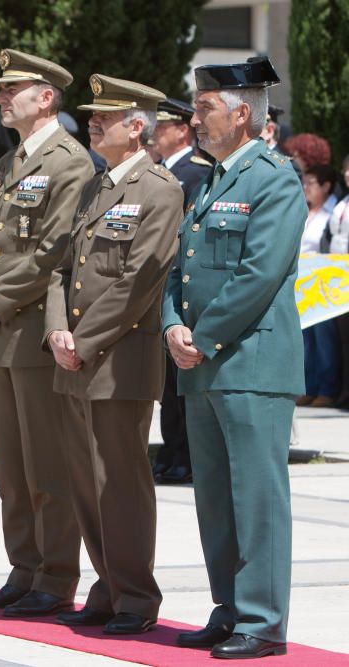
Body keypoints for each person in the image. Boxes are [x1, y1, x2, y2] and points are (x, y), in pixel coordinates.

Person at [163, 56, 305, 659]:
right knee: (215, 498)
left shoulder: (275, 178)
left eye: (204, 108)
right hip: (203, 364)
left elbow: (259, 274)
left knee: (257, 499)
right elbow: (183, 268)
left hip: (249, 363)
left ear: (243, 113)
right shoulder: (213, 178)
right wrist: (172, 323)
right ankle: (229, 606)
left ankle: (263, 621)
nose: (194, 118)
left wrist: (202, 336)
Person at [45, 74, 181, 634]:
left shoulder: (160, 189)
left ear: (137, 127)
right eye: (93, 116)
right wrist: (57, 331)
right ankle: (108, 583)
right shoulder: (94, 188)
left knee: (119, 481)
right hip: (74, 355)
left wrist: (85, 339)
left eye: (107, 117)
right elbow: (61, 269)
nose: (94, 123)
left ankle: (136, 597)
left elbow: (140, 279)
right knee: (84, 480)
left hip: (119, 357)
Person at [0, 49, 92, 616]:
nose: (0, 97)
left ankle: (55, 576)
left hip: (36, 330)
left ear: (45, 98)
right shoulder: (9, 162)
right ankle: (24, 566)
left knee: (47, 467)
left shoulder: (70, 162)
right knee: (11, 468)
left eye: (11, 88)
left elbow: (54, 253)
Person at [150, 98, 212, 485]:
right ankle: (170, 450)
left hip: (185, 290)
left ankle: (185, 455)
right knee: (167, 386)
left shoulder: (194, 172)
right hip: (164, 291)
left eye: (161, 127)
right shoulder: (159, 172)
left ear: (181, 131)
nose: (153, 133)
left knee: (183, 383)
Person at [297, 164, 341, 408]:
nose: (306, 187)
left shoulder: (334, 209)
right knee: (306, 338)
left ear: (326, 186)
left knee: (324, 337)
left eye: (311, 183)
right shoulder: (307, 210)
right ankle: (309, 386)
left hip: (325, 284)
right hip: (304, 283)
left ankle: (327, 388)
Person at [329, 155, 349, 408]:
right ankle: (343, 390)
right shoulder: (342, 201)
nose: (347, 175)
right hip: (338, 280)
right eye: (345, 170)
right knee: (343, 341)